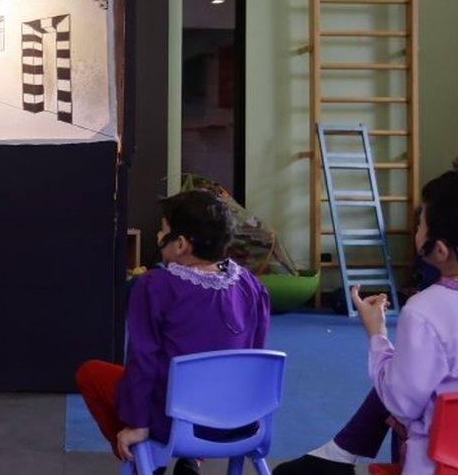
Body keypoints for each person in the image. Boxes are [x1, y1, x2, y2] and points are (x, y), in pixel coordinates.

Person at [274, 170, 458, 475]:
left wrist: (377, 334)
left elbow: (402, 403)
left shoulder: (424, 310)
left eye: (420, 224)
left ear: (439, 249)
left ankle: (337, 455)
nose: (417, 230)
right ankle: (338, 454)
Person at [75, 190, 271, 474]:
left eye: (162, 230)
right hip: (239, 421)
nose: (157, 237)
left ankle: (147, 456)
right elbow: (255, 356)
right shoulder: (251, 286)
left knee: (90, 373)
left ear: (180, 244)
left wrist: (138, 424)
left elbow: (143, 361)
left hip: (174, 419)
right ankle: (192, 460)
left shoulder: (155, 286)